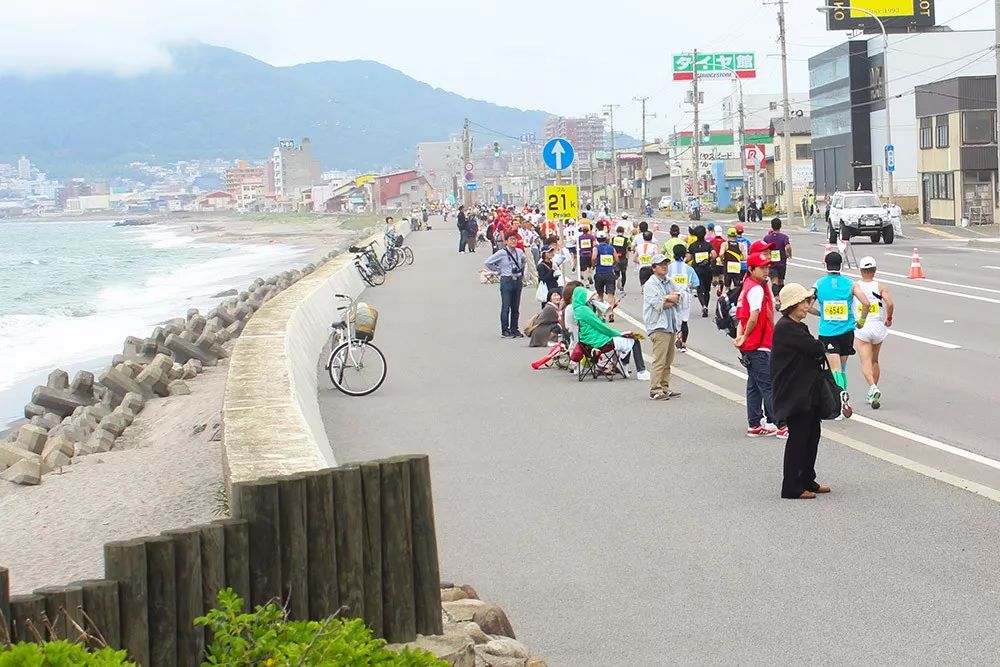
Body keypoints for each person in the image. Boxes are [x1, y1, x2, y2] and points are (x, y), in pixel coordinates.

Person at [771, 283, 831, 500]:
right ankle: (791, 487)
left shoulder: (798, 327)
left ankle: (807, 479)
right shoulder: (787, 328)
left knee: (812, 435)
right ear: (793, 305)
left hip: (807, 390)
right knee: (799, 437)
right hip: (794, 393)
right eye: (804, 302)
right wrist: (818, 348)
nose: (807, 306)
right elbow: (815, 348)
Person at [812, 251, 870, 418]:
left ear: (825, 264)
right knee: (842, 369)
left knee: (834, 369)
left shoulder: (819, 284)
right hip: (847, 332)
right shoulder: (850, 284)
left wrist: (819, 312)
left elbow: (806, 301)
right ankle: (844, 396)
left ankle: (839, 400)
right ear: (841, 265)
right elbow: (865, 302)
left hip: (828, 333)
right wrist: (861, 321)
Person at [734, 248, 783, 438]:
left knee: (754, 385)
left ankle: (755, 423)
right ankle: (781, 424)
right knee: (768, 385)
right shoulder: (755, 288)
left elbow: (742, 318)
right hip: (758, 343)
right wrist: (745, 336)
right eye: (762, 268)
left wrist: (740, 337)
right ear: (751, 269)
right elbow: (753, 316)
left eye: (767, 267)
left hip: (751, 344)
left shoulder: (748, 285)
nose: (766, 271)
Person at [571, 285, 649, 380]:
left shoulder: (578, 309)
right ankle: (640, 371)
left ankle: (624, 364)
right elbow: (601, 327)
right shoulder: (584, 310)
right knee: (634, 340)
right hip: (597, 341)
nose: (590, 300)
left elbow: (598, 324)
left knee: (627, 338)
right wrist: (618, 334)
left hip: (588, 341)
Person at [854, 256, 894, 409]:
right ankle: (873, 393)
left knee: (865, 361)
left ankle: (872, 387)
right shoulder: (880, 286)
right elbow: (889, 302)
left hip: (863, 325)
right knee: (875, 360)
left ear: (861, 270)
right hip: (878, 326)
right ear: (875, 270)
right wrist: (889, 317)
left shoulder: (856, 286)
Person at [642, 253, 682, 400]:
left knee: (668, 359)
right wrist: (669, 298)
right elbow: (659, 304)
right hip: (658, 326)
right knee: (659, 360)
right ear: (653, 268)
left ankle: (665, 387)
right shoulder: (651, 284)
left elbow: (679, 296)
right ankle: (655, 389)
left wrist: (669, 298)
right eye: (661, 264)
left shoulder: (669, 281)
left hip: (670, 324)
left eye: (666, 264)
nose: (664, 267)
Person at [484, 232, 527, 338]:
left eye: (515, 239)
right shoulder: (501, 253)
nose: (513, 241)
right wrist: (498, 271)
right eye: (511, 239)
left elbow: (523, 262)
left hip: (517, 279)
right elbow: (488, 263)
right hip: (506, 280)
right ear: (506, 241)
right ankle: (505, 330)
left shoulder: (520, 252)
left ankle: (514, 328)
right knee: (506, 306)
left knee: (515, 307)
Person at [667, 243, 699, 352]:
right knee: (684, 320)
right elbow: (696, 283)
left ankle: (675, 338)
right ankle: (683, 343)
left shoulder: (669, 267)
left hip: (672, 296)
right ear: (685, 254)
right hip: (685, 296)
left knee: (672, 319)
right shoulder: (689, 269)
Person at [687, 225, 715, 318]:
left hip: (697, 269)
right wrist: (708, 258)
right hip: (707, 269)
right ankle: (706, 305)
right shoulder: (708, 245)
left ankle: (703, 305)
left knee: (700, 289)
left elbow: (689, 258)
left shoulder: (692, 246)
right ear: (704, 234)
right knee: (707, 290)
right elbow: (714, 255)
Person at [762, 217, 792, 299]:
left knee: (774, 281)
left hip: (771, 262)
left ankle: (776, 298)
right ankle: (781, 298)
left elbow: (763, 249)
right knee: (781, 281)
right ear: (780, 226)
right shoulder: (784, 237)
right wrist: (789, 254)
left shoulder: (767, 238)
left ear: (772, 226)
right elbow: (788, 247)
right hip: (782, 262)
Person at [593, 231, 618, 322]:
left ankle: (601, 314)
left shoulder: (596, 248)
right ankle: (611, 313)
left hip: (599, 273)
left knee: (600, 294)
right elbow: (616, 259)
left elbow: (593, 257)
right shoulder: (611, 248)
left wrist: (594, 264)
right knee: (610, 294)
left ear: (597, 239)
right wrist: (613, 265)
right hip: (609, 273)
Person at [610, 225, 631, 293]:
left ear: (617, 232)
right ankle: (622, 288)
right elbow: (629, 248)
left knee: (616, 271)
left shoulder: (613, 239)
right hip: (623, 257)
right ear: (623, 232)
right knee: (624, 273)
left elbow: (611, 247)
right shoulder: (626, 239)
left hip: (615, 257)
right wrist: (627, 255)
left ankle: (617, 277)